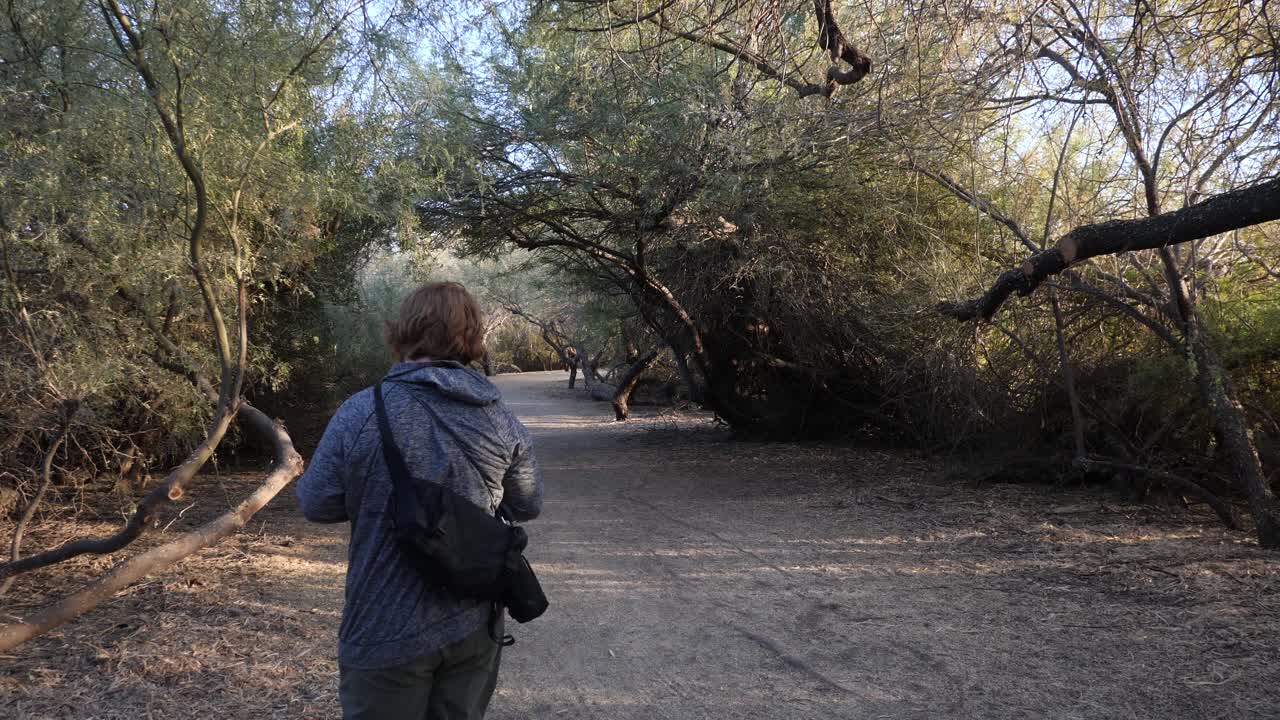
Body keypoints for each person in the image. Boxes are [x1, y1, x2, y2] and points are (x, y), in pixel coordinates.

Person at [297, 281, 544, 720]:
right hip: (472, 621)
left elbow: (316, 503)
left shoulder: (359, 412)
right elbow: (526, 504)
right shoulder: (500, 419)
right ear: (472, 338)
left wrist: (373, 497)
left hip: (382, 624)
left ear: (403, 333)